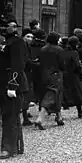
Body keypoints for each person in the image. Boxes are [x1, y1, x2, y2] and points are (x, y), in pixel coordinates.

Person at [0, 19, 29, 159]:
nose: (7, 28)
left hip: (11, 83)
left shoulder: (17, 42)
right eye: (5, 25)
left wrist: (12, 85)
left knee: (10, 116)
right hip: (1, 81)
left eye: (10, 26)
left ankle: (8, 148)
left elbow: (17, 64)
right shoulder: (5, 42)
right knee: (10, 116)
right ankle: (17, 146)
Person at [34, 32, 65, 130]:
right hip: (55, 74)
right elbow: (61, 64)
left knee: (54, 94)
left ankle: (59, 117)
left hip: (44, 74)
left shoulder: (43, 49)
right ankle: (40, 118)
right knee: (52, 95)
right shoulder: (59, 49)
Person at [60, 37, 82, 118]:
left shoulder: (62, 51)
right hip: (73, 75)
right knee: (77, 93)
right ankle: (80, 110)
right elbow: (77, 65)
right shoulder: (74, 52)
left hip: (64, 74)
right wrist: (81, 74)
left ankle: (59, 114)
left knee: (64, 93)